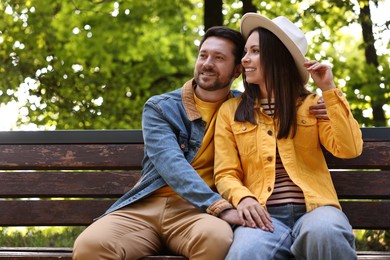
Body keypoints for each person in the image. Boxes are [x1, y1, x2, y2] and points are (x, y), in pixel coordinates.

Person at [73, 25, 328, 260]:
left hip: (197, 214)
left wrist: (328, 104)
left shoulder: (246, 110)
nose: (207, 64)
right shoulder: (161, 107)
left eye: (219, 58)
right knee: (90, 246)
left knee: (218, 239)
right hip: (148, 207)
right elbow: (171, 165)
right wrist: (221, 207)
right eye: (203, 55)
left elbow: (289, 111)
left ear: (238, 69)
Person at [213, 13, 363, 260]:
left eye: (254, 51)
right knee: (245, 253)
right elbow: (225, 172)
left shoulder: (313, 104)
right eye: (245, 51)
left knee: (326, 232)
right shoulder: (231, 112)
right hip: (264, 216)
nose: (244, 59)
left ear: (277, 56)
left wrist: (329, 90)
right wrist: (243, 198)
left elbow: (349, 149)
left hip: (316, 210)